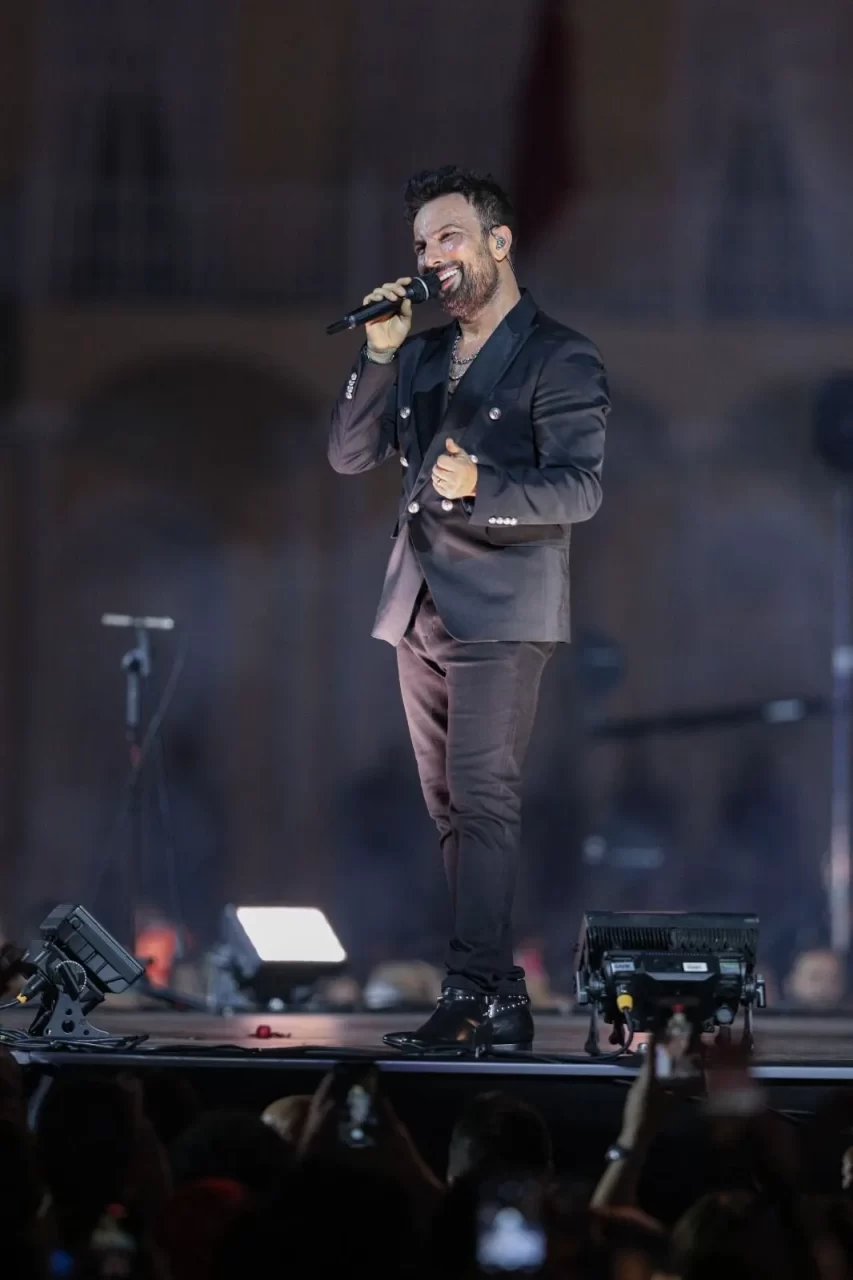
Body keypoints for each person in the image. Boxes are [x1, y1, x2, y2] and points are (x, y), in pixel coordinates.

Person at [329, 165, 609, 1051]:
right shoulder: (416, 354)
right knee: (449, 807)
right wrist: (378, 354)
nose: (430, 256)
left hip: (502, 605)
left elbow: (580, 488)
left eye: (448, 236)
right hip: (417, 605)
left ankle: (468, 991)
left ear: (498, 241)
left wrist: (483, 485)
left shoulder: (558, 355)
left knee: (484, 798)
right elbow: (347, 455)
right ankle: (500, 997)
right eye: (420, 243)